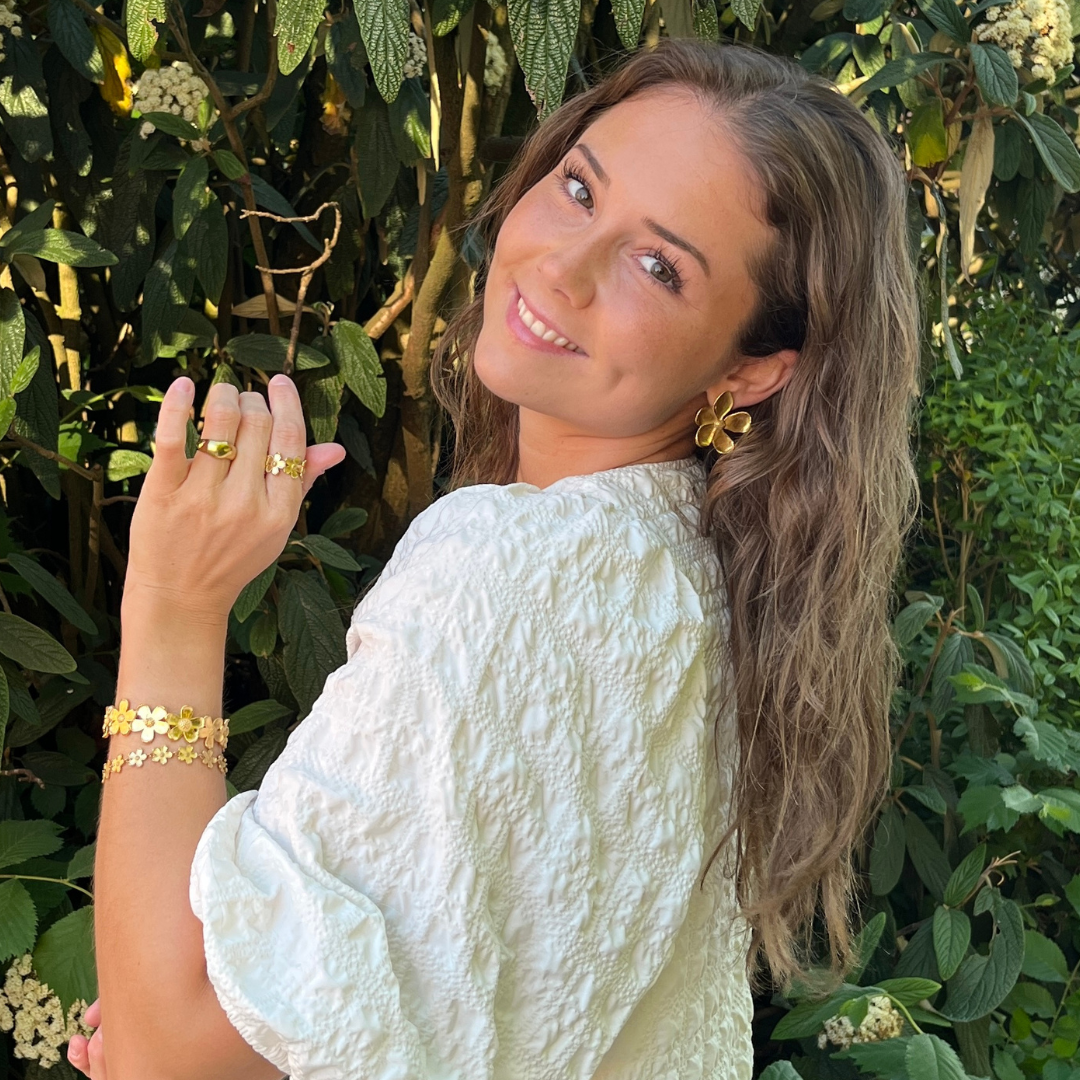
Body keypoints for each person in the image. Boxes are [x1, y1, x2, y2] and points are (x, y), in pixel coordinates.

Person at [70, 36, 920, 1080]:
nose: (561, 266)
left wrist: (172, 606)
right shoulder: (705, 584)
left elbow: (171, 1057)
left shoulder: (512, 574)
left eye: (658, 266)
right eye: (578, 189)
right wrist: (197, 982)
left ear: (751, 371)